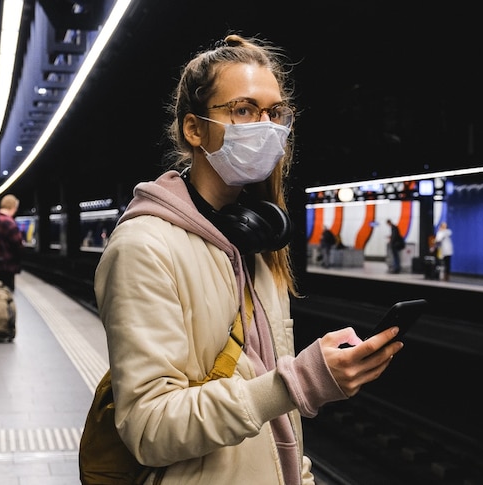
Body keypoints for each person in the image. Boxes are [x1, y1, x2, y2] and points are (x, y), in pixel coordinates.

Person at [93, 34, 404, 484]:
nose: (266, 126)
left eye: (274, 112)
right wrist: (298, 382)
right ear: (194, 129)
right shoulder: (144, 248)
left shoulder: (257, 243)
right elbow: (151, 428)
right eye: (243, 110)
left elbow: (279, 425)